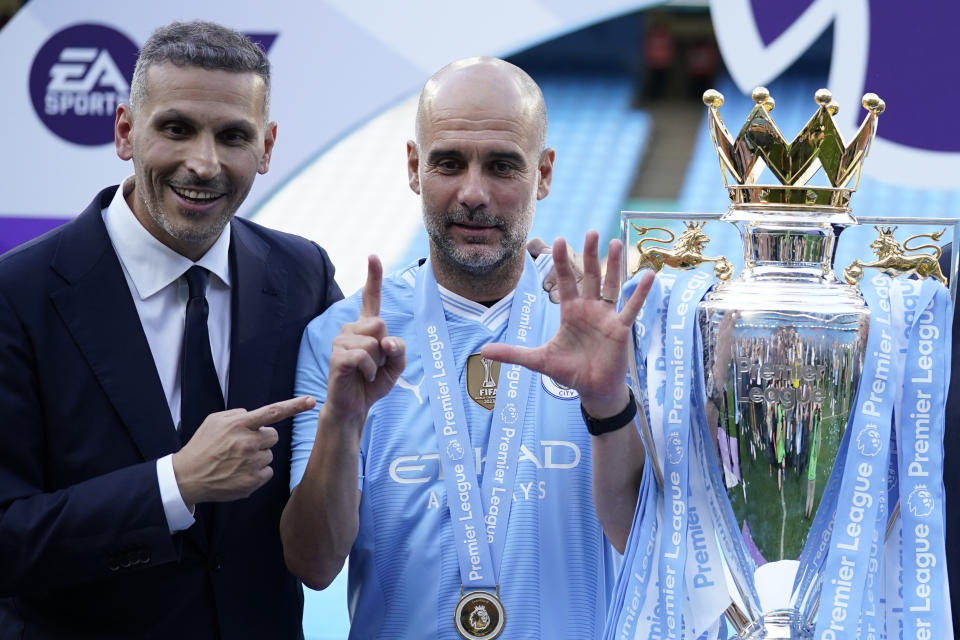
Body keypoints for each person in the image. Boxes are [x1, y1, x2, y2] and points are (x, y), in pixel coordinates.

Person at [281, 57, 652, 639]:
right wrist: (343, 422)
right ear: (413, 167)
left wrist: (611, 405)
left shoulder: (612, 335)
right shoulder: (342, 338)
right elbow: (314, 565)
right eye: (449, 163)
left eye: (503, 166)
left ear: (544, 173)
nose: (473, 193)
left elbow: (649, 547)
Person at [0, 21, 342, 639]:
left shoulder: (302, 275)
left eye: (232, 136)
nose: (203, 163)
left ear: (265, 148)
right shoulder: (16, 295)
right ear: (126, 131)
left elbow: (385, 366)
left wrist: (513, 284)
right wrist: (173, 485)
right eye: (177, 128)